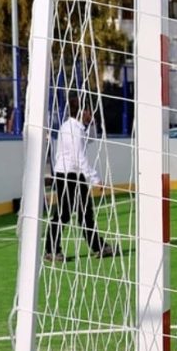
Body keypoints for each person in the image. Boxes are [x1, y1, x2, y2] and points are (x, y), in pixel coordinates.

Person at [44, 97, 117, 262]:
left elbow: (91, 139)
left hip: (75, 174)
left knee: (86, 213)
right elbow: (79, 158)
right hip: (68, 175)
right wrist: (96, 179)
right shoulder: (72, 130)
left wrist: (92, 123)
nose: (91, 113)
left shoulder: (77, 127)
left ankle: (99, 247)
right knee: (64, 214)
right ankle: (51, 250)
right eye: (89, 110)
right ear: (83, 111)